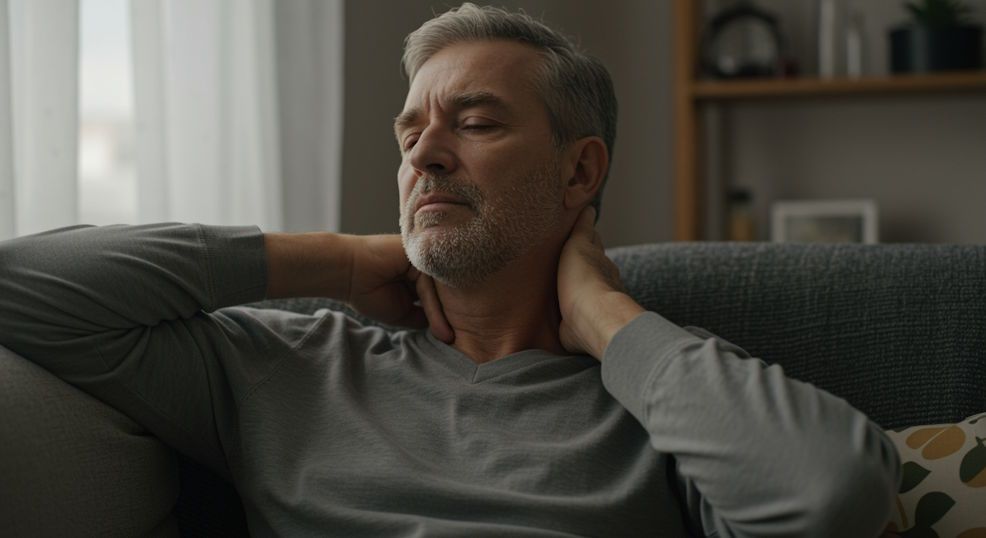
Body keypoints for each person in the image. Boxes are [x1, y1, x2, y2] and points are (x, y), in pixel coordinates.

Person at [0, 4, 899, 536]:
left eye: (474, 123)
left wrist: (602, 318)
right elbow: (22, 287)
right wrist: (343, 261)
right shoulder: (292, 365)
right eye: (410, 134)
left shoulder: (663, 390)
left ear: (579, 172)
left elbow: (833, 493)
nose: (424, 155)